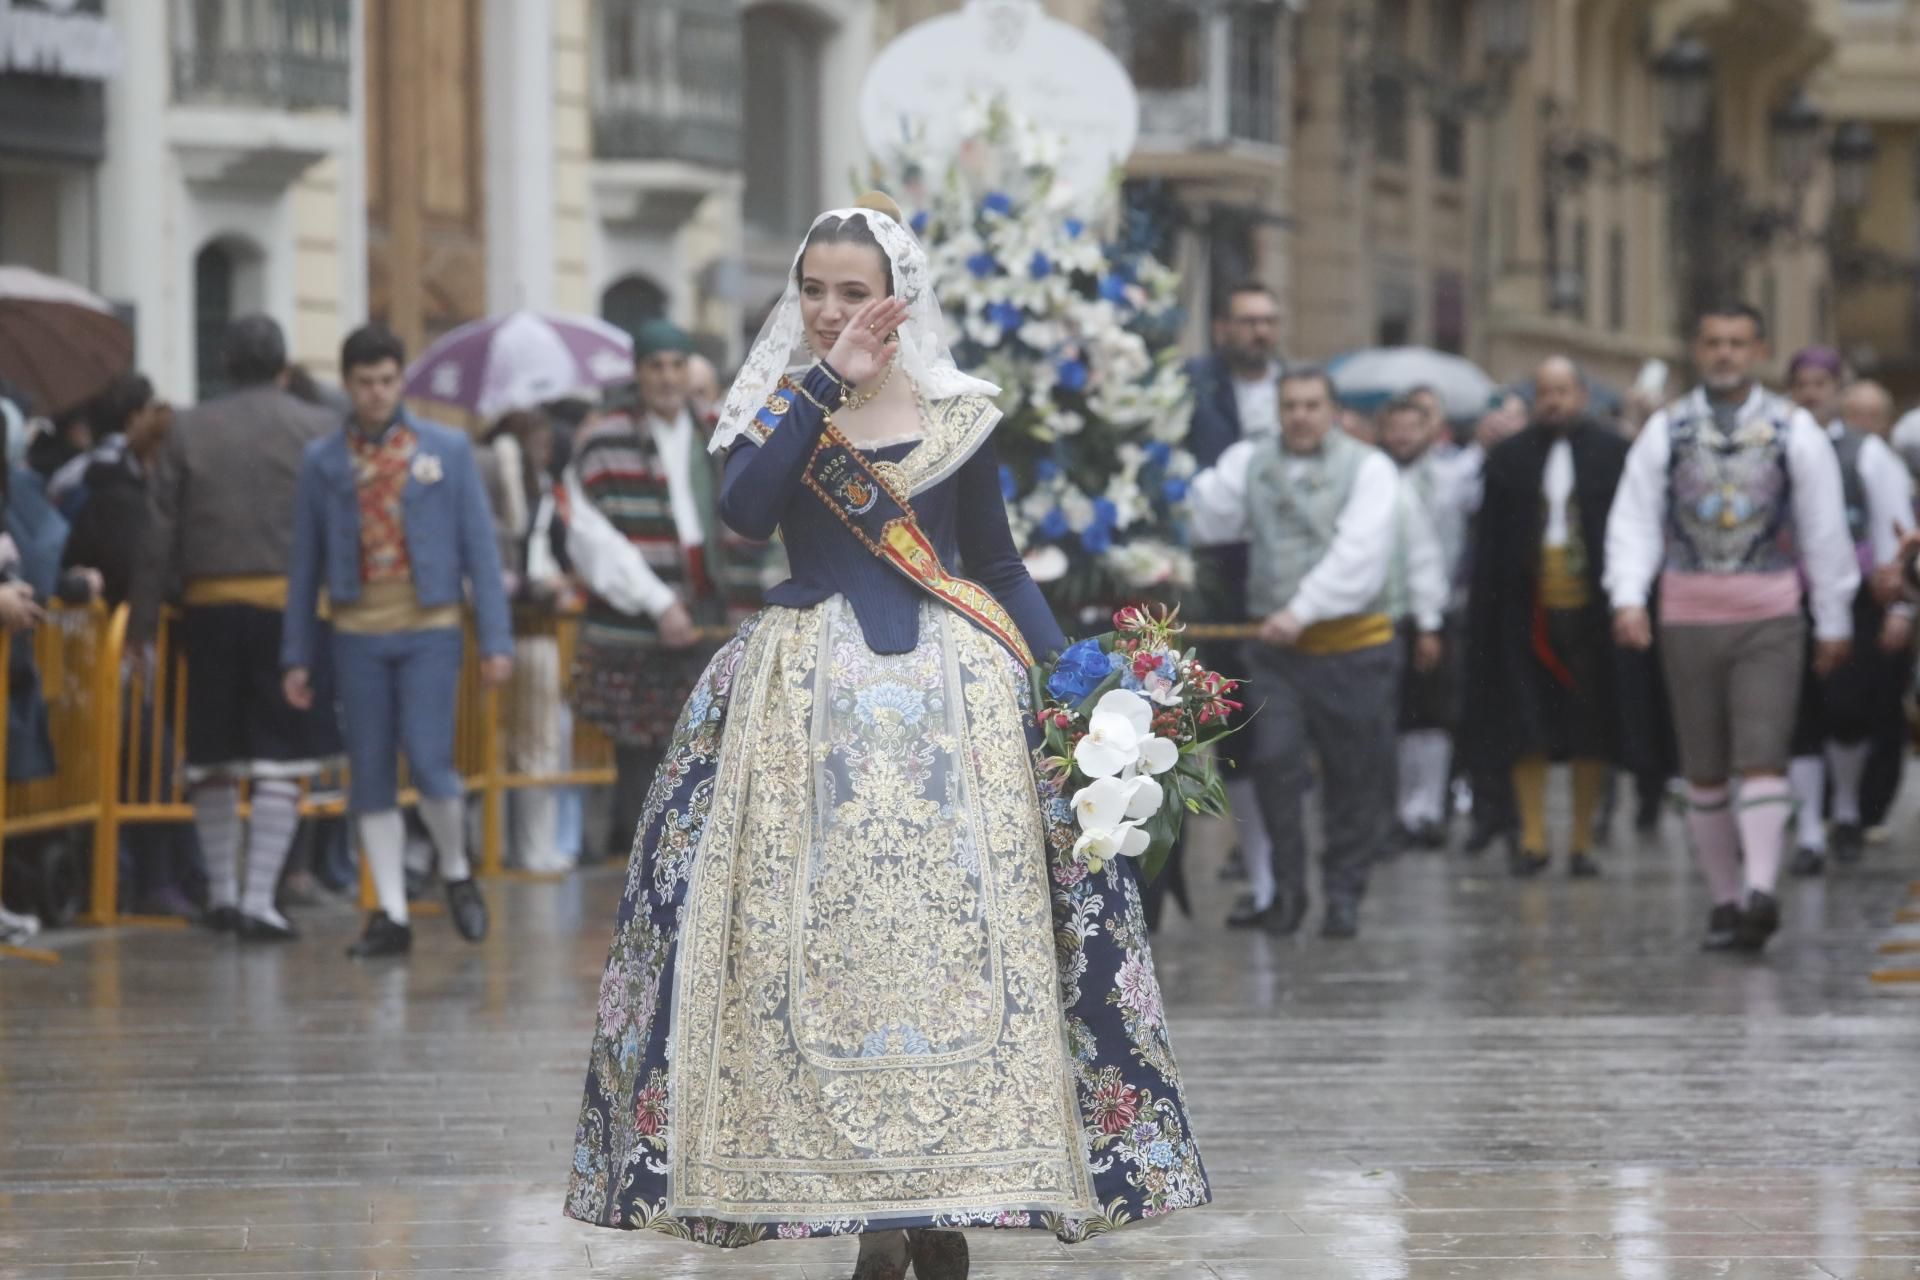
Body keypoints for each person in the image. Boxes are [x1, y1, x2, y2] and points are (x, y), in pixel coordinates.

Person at [564, 195, 1208, 1279]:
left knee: (962, 942)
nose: (828, 308)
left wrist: (1071, 696)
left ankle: (949, 1193)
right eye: (814, 289)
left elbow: (995, 565)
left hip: (960, 715)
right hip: (801, 710)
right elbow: (742, 510)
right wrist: (822, 383)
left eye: (852, 292)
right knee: (818, 946)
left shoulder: (961, 412)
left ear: (898, 296)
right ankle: (862, 1205)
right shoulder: (778, 401)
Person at [1604, 303, 1857, 952]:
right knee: (1704, 763)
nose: (1725, 355)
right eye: (1713, 343)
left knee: (1762, 750)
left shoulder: (1790, 429)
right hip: (1688, 610)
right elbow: (1632, 518)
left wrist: (1832, 615)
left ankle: (1761, 890)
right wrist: (1628, 596)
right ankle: (1723, 896)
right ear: (1696, 349)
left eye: (1737, 344)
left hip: (1768, 610)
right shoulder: (1666, 430)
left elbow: (1823, 526)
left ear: (1758, 350)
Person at [283, 323, 514, 959]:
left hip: (430, 628)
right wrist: (296, 654)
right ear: (348, 385)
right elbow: (304, 565)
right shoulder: (323, 461)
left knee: (431, 757)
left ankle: (455, 868)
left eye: (387, 380)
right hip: (355, 634)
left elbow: (480, 552)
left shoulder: (447, 449)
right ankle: (389, 911)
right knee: (371, 776)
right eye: (365, 382)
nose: (377, 393)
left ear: (400, 380)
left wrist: (496, 639)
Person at [1190, 368, 1404, 939]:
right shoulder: (1249, 462)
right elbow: (1202, 515)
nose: (1301, 415)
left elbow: (1359, 557)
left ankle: (1343, 894)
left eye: (1312, 405)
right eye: (1291, 405)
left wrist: (1301, 610)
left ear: (1332, 411)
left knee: (1351, 776)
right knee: (1274, 764)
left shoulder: (1370, 468)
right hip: (1276, 655)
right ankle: (1287, 892)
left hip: (1351, 648)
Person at [564, 320, 726, 863]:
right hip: (633, 631)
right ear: (638, 373)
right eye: (656, 366)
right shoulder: (605, 436)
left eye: (677, 365)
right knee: (641, 760)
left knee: (706, 750)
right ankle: (645, 877)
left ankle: (695, 875)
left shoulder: (717, 432)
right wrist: (656, 602)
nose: (667, 378)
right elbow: (591, 536)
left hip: (710, 617)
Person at [1465, 357, 1629, 877]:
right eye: (1545, 392)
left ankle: (1582, 839)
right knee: (1524, 720)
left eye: (1563, 391)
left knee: (1593, 724)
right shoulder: (1509, 458)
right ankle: (1533, 837)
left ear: (1582, 394)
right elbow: (1487, 542)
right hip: (1523, 609)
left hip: (1592, 610)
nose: (1554, 401)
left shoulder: (1613, 453)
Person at [1781, 371, 1912, 874]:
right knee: (1799, 718)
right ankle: (1811, 828)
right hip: (1788, 596)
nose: (1811, 393)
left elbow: (1892, 525)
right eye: (1801, 383)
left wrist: (1900, 601)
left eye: (1821, 383)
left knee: (1849, 710)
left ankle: (1850, 809)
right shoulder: (1777, 443)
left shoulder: (1868, 454)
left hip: (1856, 596)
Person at [1377, 397, 1457, 850]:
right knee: (1389, 716)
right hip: (1386, 611)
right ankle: (1391, 811)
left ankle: (1426, 809)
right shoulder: (1373, 477)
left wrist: (1432, 621)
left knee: (1430, 713)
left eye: (1413, 426)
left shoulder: (1448, 478)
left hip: (1434, 607)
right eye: (1396, 426)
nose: (1404, 435)